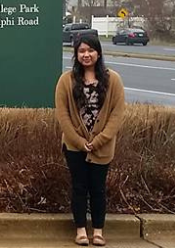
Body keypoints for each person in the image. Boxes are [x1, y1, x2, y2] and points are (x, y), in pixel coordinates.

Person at [55, 34, 126, 247]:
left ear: (98, 52)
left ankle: (98, 231)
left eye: (90, 50)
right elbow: (63, 115)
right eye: (82, 51)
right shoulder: (66, 81)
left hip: (102, 148)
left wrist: (98, 141)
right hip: (74, 147)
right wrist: (78, 142)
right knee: (79, 187)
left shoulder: (113, 79)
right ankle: (80, 230)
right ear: (76, 55)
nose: (86, 55)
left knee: (98, 188)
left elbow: (117, 114)